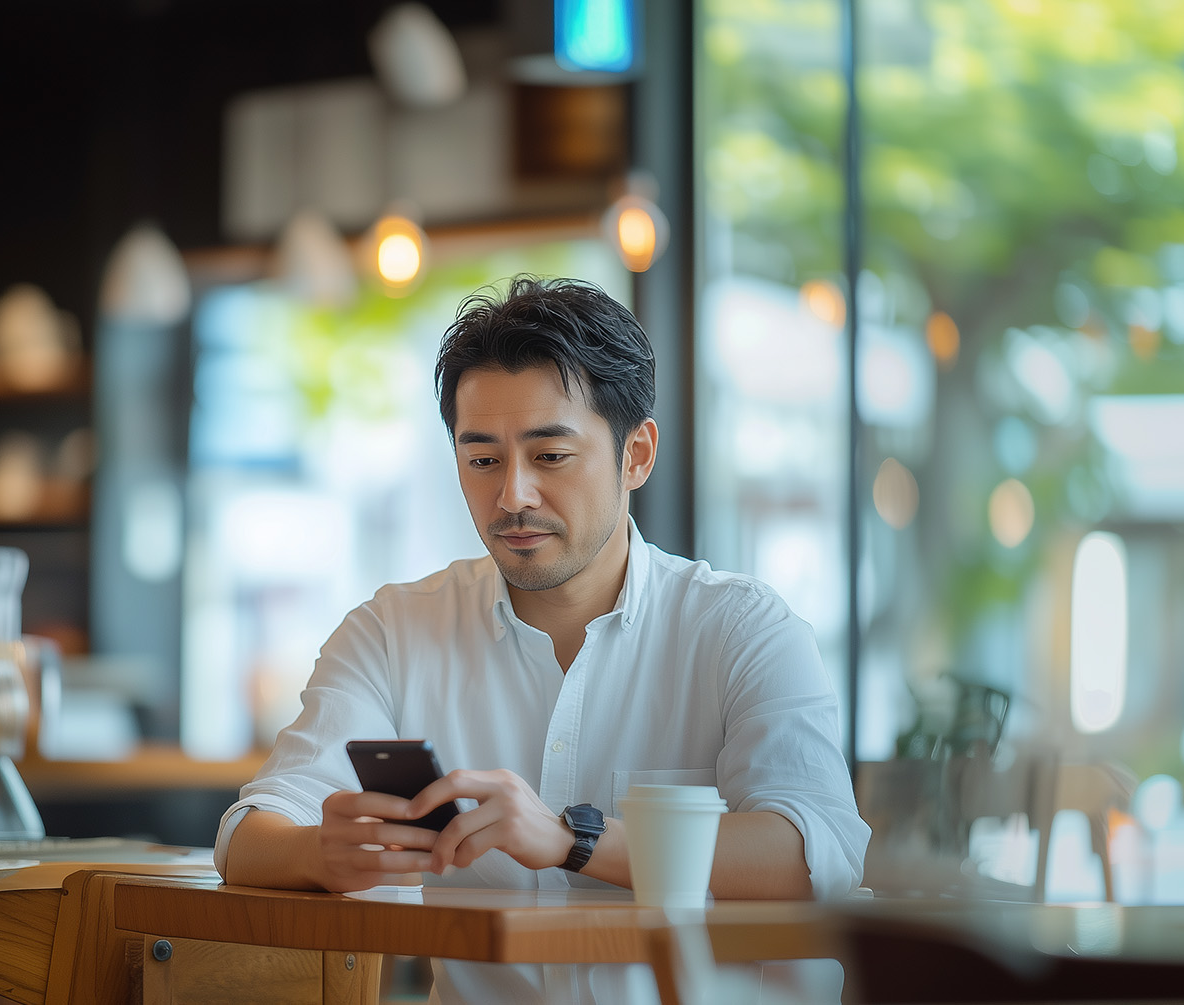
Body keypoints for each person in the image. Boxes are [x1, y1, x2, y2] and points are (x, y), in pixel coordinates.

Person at [216, 276, 867, 1003]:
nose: (513, 496)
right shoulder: (395, 630)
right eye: (483, 458)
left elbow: (814, 855)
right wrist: (319, 850)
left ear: (637, 455)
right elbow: (247, 834)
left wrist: (574, 839)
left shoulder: (742, 628)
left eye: (551, 456)